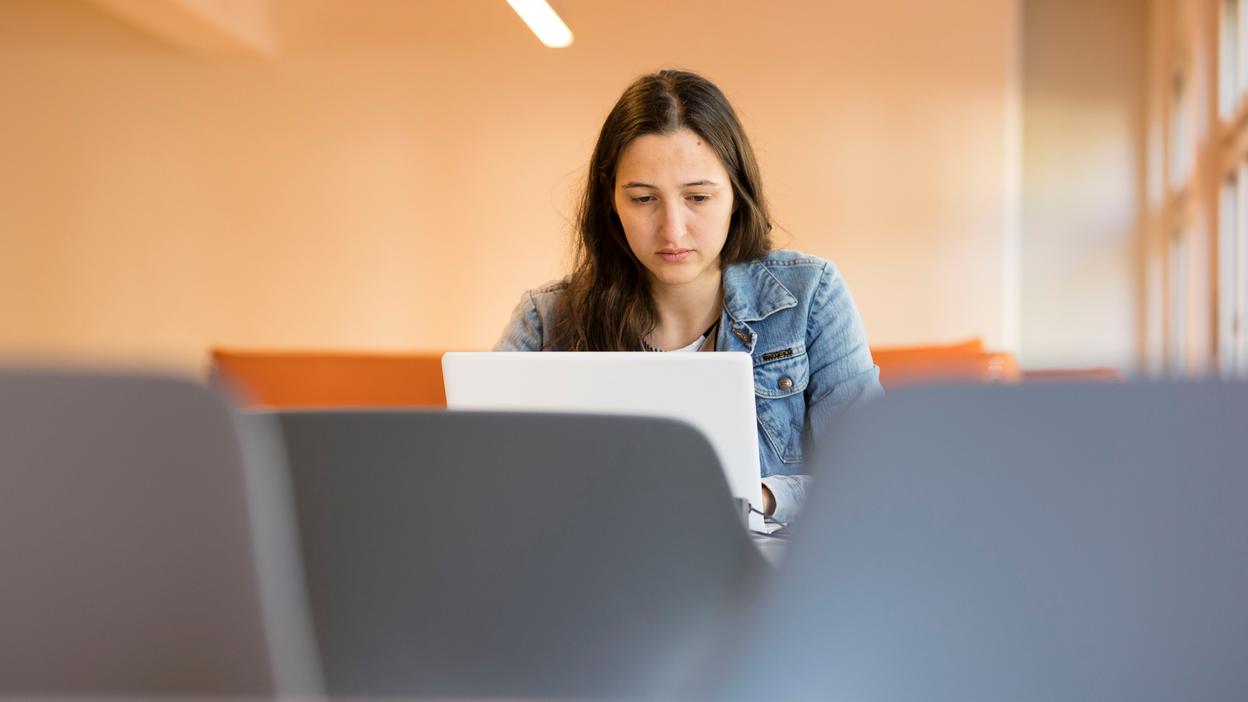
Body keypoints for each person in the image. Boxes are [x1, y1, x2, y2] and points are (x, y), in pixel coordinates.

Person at [495, 69, 882, 524]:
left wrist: (756, 499)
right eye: (643, 199)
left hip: (765, 579)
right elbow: (480, 478)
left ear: (736, 195)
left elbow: (872, 478)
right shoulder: (547, 319)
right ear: (610, 200)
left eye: (697, 198)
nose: (672, 230)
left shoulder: (810, 296)